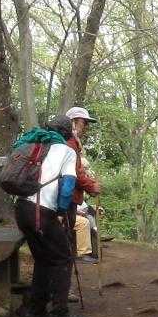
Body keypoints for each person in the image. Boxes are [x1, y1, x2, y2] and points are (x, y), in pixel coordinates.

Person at [13, 114, 84, 317]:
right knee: (63, 258)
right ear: (67, 133)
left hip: (22, 208)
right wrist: (61, 211)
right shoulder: (67, 151)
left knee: (43, 258)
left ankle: (35, 309)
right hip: (42, 211)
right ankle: (59, 313)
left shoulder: (35, 146)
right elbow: (68, 185)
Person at [63, 106, 104, 264]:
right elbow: (74, 173)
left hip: (68, 198)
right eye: (84, 122)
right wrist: (92, 186)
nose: (86, 127)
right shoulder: (69, 144)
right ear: (73, 122)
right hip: (65, 199)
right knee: (63, 237)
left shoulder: (72, 143)